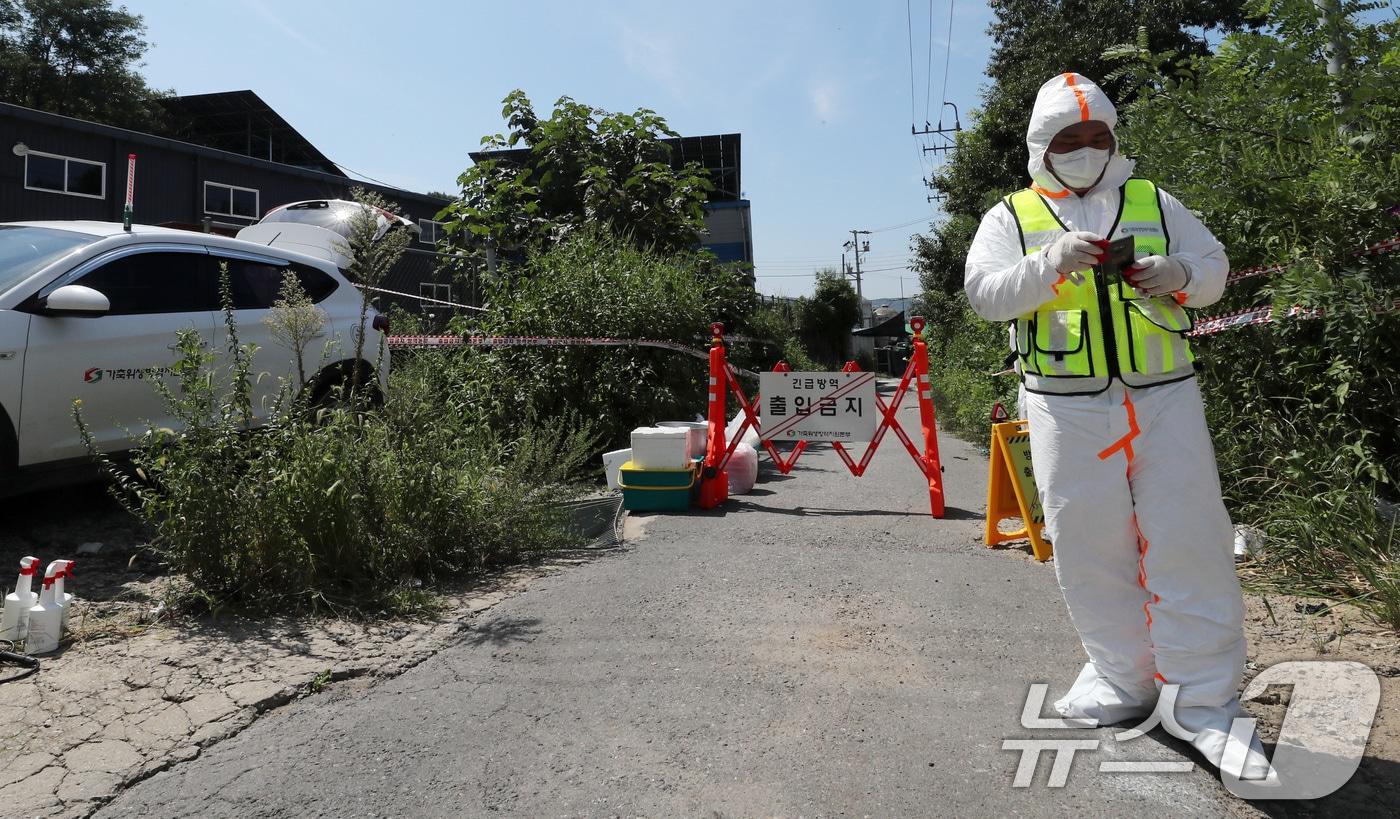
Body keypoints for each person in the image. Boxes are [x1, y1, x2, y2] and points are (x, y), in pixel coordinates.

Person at [964, 73, 1270, 781]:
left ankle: (1205, 703)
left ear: (1113, 138)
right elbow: (984, 294)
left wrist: (1176, 272)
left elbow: (1215, 268)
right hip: (1064, 404)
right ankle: (1123, 679)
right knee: (1087, 545)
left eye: (1096, 136)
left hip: (1164, 396)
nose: (1084, 149)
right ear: (1043, 145)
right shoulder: (1010, 215)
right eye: (1068, 140)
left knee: (1190, 539)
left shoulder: (1152, 198)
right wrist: (1049, 264)